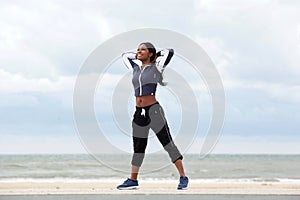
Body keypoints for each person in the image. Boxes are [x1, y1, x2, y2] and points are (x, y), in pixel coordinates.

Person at [117, 42, 189, 190]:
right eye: (138, 49)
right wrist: (140, 55)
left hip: (154, 111)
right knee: (138, 148)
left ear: (151, 53)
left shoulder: (157, 67)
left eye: (143, 49)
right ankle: (133, 180)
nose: (138, 52)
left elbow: (169, 51)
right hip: (139, 113)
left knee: (167, 143)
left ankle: (183, 176)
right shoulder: (135, 68)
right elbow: (125, 56)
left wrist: (154, 57)